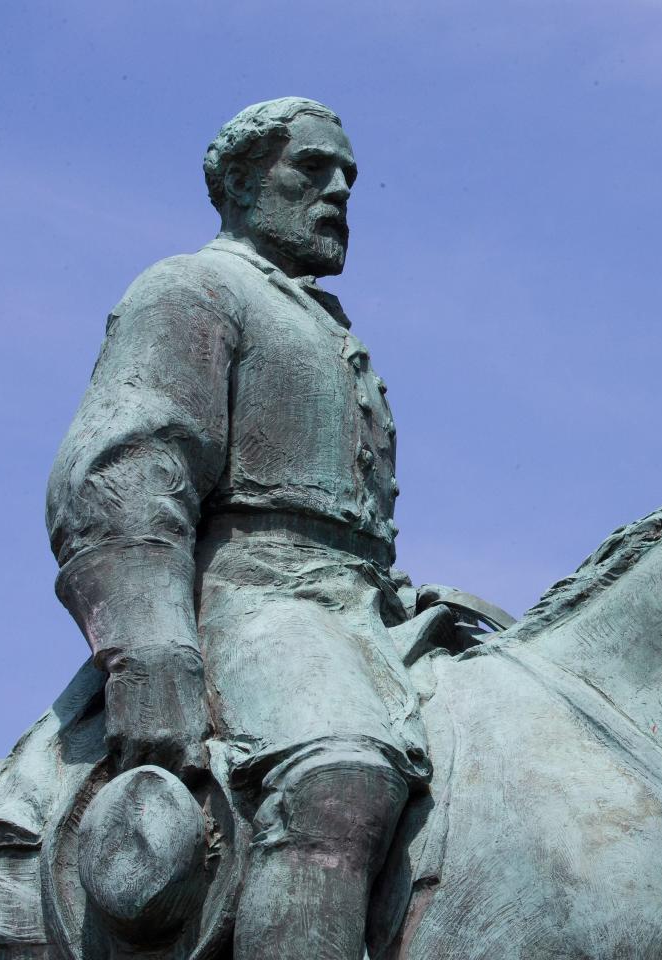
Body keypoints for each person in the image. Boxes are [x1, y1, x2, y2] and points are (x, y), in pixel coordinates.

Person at [46, 96, 429, 959]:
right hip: (252, 603)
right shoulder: (194, 288)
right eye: (312, 168)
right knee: (339, 777)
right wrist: (151, 648)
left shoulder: (321, 322)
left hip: (362, 615)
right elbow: (125, 474)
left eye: (349, 176)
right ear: (240, 184)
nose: (340, 191)